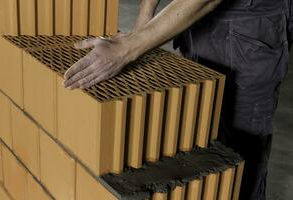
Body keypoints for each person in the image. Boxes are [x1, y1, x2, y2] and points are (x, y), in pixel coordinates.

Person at [63, 0, 292, 199]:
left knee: (241, 157)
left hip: (248, 28)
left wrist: (129, 48)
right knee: (204, 141)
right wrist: (140, 26)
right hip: (194, 22)